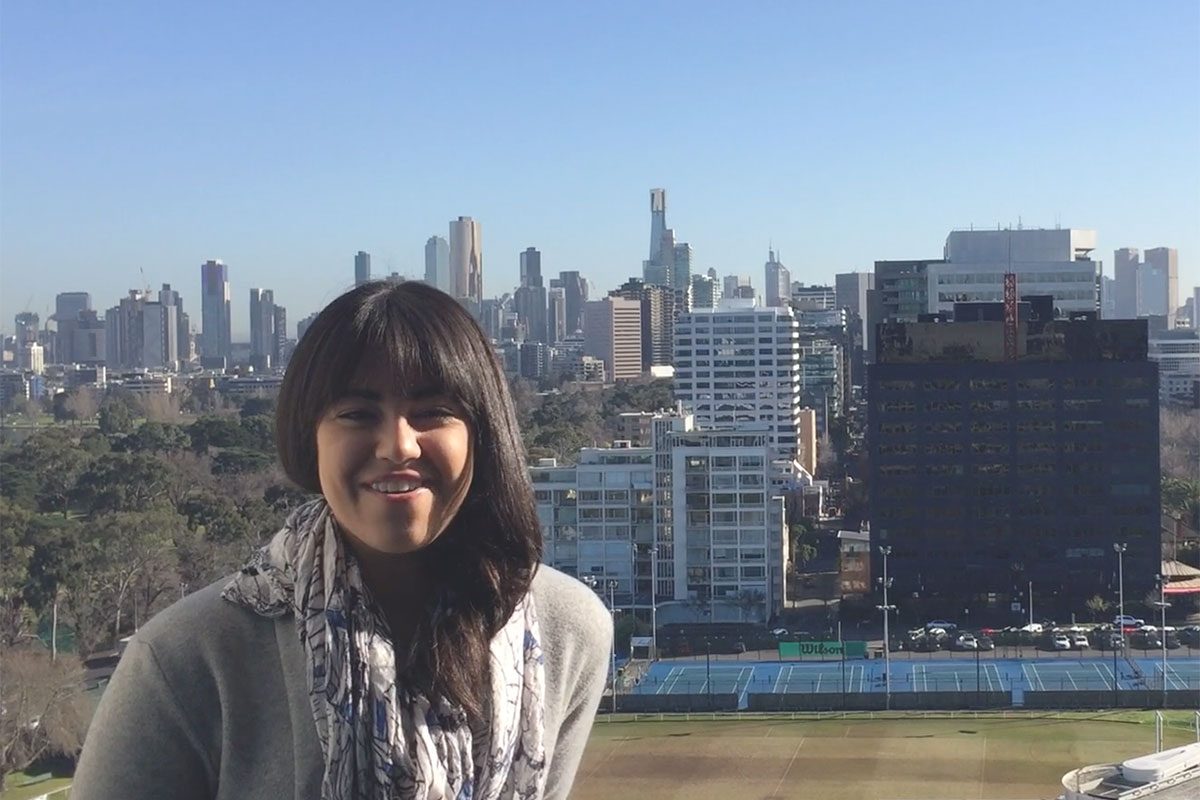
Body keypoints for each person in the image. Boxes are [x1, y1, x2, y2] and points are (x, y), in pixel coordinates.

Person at [74, 281, 613, 800]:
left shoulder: (566, 630)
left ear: (482, 433)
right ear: (309, 438)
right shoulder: (186, 661)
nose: (398, 446)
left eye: (432, 412)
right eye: (357, 414)